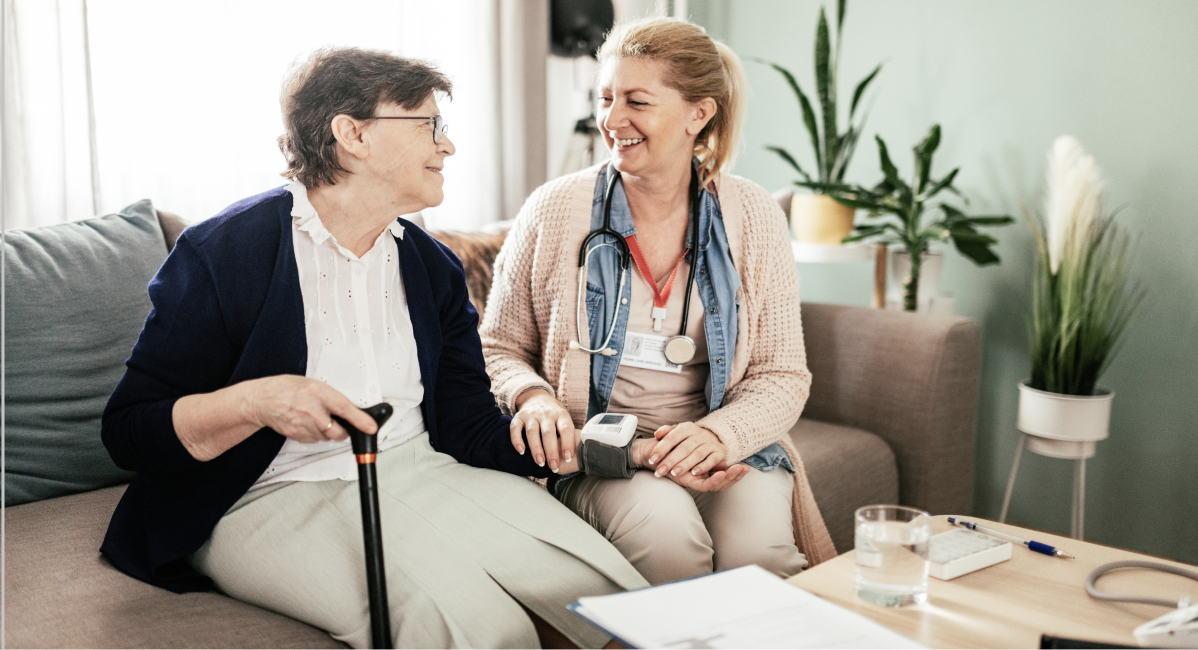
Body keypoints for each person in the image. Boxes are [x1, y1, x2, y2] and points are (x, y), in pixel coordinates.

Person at [100, 46, 646, 649]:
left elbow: (467, 426)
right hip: (262, 494)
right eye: (429, 124)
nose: (447, 145)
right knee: (484, 630)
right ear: (352, 135)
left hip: (424, 468)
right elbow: (129, 431)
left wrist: (591, 446)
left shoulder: (431, 265)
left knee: (609, 603)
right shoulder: (226, 251)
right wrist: (257, 402)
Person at [480, 18, 838, 586]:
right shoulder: (555, 208)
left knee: (761, 558)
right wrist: (533, 396)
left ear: (699, 113)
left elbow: (782, 374)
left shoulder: (754, 215)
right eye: (605, 98)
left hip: (717, 439)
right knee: (668, 537)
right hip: (597, 449)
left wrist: (719, 435)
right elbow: (498, 346)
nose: (611, 120)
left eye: (637, 101)